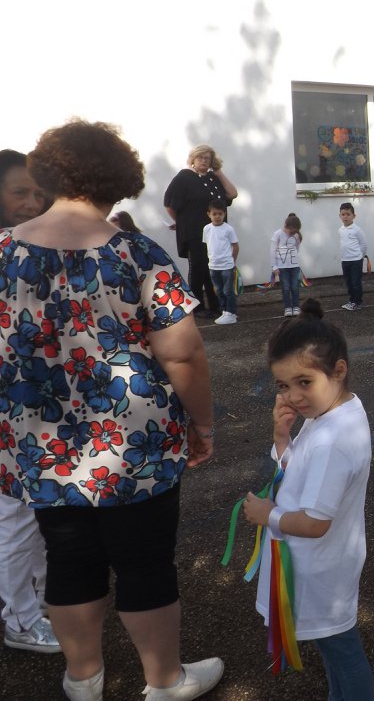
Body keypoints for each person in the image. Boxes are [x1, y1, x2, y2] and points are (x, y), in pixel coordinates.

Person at [0, 120, 220, 700]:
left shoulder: (2, 252)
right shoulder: (136, 253)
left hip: (43, 445)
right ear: (117, 178)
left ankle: (83, 679)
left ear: (48, 173)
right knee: (146, 563)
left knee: (69, 560)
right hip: (136, 447)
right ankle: (165, 681)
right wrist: (202, 423)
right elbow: (184, 354)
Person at [242, 299, 374, 701]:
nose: (294, 397)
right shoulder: (335, 412)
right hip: (320, 567)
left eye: (304, 382)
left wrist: (269, 515)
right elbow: (302, 475)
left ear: (339, 370)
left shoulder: (333, 438)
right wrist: (283, 440)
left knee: (341, 649)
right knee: (335, 649)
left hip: (319, 571)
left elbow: (316, 523)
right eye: (283, 385)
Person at [0, 149, 56, 656]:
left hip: (32, 412)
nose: (32, 202)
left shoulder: (28, 248)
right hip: (9, 415)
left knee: (34, 513)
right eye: (20, 191)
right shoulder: (10, 251)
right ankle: (20, 615)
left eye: (38, 192)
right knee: (15, 518)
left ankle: (43, 602)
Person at [164, 144, 238, 318]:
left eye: (207, 158)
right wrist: (180, 223)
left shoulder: (213, 178)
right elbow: (169, 204)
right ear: (193, 159)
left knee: (212, 268)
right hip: (194, 231)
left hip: (216, 233)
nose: (204, 161)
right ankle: (197, 307)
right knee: (198, 268)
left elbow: (232, 194)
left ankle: (215, 305)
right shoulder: (184, 177)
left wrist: (218, 172)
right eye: (201, 158)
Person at [204, 198, 240, 325]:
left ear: (224, 214)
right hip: (213, 266)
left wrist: (232, 262)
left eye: (220, 214)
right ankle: (225, 311)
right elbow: (209, 245)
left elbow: (235, 246)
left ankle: (231, 313)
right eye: (214, 214)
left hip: (226, 266)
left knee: (228, 290)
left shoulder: (228, 229)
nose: (217, 216)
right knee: (219, 290)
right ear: (209, 214)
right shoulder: (207, 229)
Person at [270, 213, 302, 317]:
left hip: (294, 267)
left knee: (295, 287)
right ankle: (287, 307)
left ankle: (296, 306)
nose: (292, 233)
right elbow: (272, 251)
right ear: (286, 226)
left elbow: (296, 248)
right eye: (291, 231)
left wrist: (294, 260)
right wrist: (274, 266)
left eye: (294, 232)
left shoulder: (296, 235)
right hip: (282, 268)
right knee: (286, 287)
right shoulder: (277, 234)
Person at [338, 202, 368, 311]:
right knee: (349, 282)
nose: (345, 217)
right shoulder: (341, 230)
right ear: (340, 216)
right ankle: (352, 300)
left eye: (348, 214)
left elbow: (363, 244)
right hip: (345, 260)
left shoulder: (357, 230)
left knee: (356, 282)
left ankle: (358, 302)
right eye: (343, 214)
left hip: (356, 260)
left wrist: (360, 256)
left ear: (353, 216)